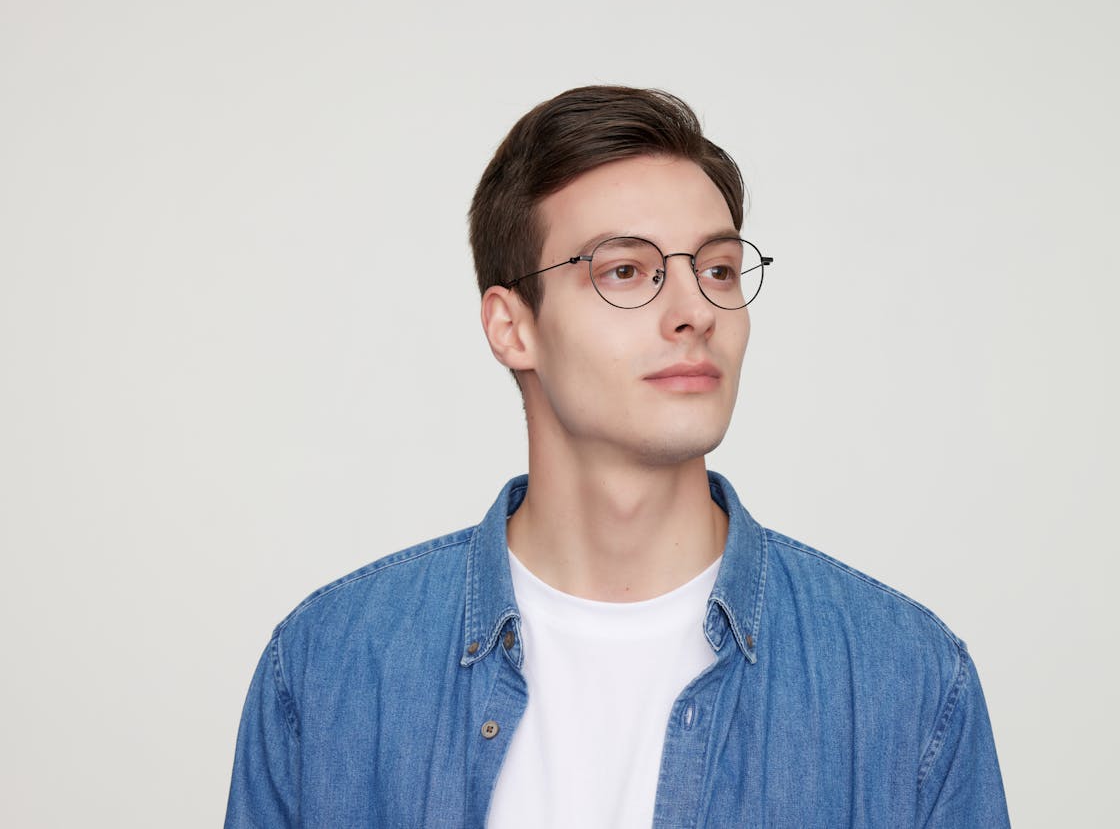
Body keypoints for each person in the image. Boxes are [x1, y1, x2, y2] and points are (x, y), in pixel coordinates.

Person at [225, 85, 1011, 828]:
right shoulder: (333, 667)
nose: (695, 312)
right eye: (625, 270)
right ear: (511, 327)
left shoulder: (903, 680)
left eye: (718, 269)